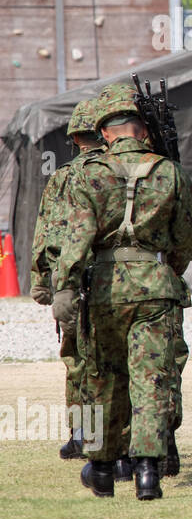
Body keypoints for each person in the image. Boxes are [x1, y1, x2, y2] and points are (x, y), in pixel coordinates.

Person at [52, 84, 192, 500]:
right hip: (156, 290)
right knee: (151, 378)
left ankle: (102, 468)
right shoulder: (168, 171)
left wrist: (64, 287)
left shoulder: (88, 174)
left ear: (105, 134)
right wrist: (169, 264)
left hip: (103, 291)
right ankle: (147, 472)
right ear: (141, 131)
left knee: (103, 377)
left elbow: (76, 238)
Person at [29, 99, 105, 461]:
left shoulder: (63, 178)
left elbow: (45, 233)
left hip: (71, 282)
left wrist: (42, 282)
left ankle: (81, 434)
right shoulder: (118, 171)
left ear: (75, 138)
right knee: (114, 359)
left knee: (76, 358)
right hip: (115, 279)